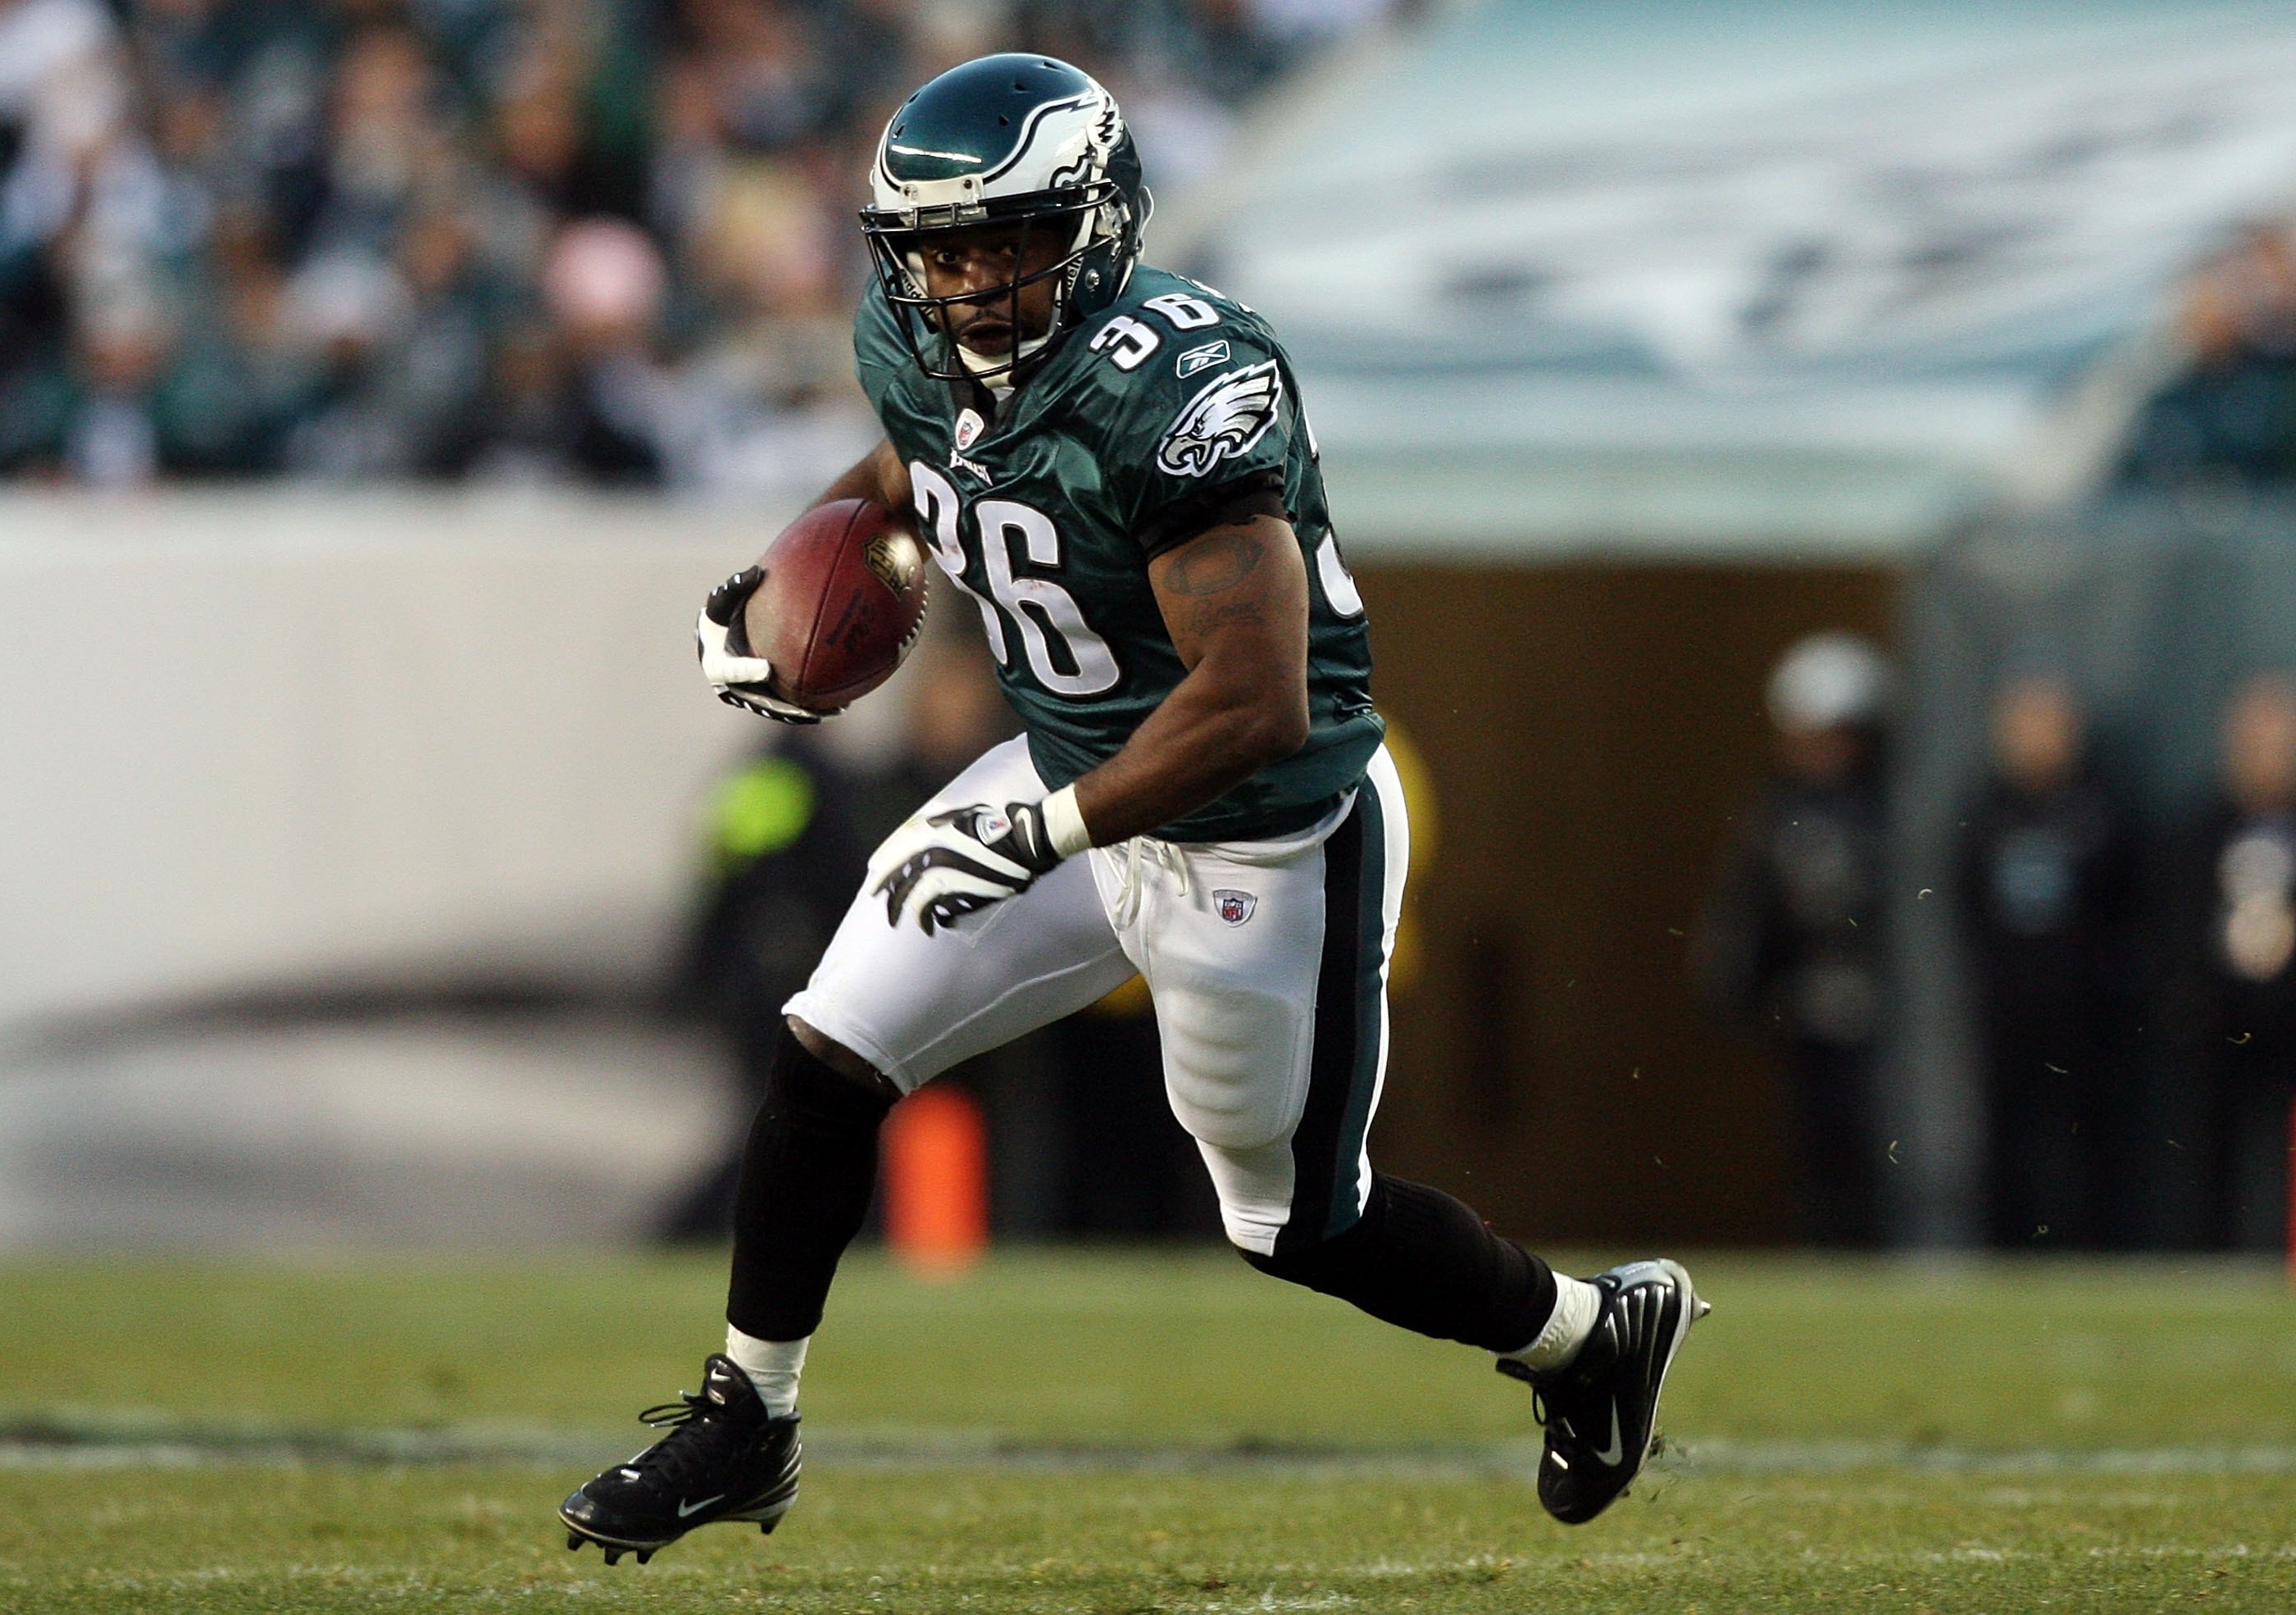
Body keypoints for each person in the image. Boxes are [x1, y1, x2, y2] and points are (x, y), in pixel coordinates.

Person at [557, 55, 1707, 1563]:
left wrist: (1042, 830)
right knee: (829, 1051)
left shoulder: (1179, 382)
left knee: (1298, 1224)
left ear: (1095, 224)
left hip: (1264, 821)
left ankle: (1586, 1337)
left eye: (1006, 239)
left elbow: (1254, 699)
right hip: (1072, 763)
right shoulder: (913, 336)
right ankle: (747, 1418)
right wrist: (797, 581)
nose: (966, 282)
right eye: (941, 248)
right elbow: (924, 466)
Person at [1695, 633, 1893, 1248]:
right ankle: (1825, 1243)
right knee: (1817, 1142)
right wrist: (1735, 982)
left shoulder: (1891, 810)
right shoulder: (1777, 809)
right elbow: (1749, 907)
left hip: (1885, 1009)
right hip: (1811, 1003)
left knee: (1881, 1137)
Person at [1953, 672, 2137, 1249]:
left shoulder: (2101, 808)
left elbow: (2130, 907)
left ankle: (2096, 1253)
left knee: (2090, 1146)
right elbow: (1964, 908)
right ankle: (2002, 1257)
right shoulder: (1984, 812)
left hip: (2086, 1018)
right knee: (2007, 1144)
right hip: (2008, 1013)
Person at [2180, 674, 2296, 1251]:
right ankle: (2211, 1252)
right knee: (2211, 1150)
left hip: (2287, 1015)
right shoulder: (2200, 826)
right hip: (2219, 1020)